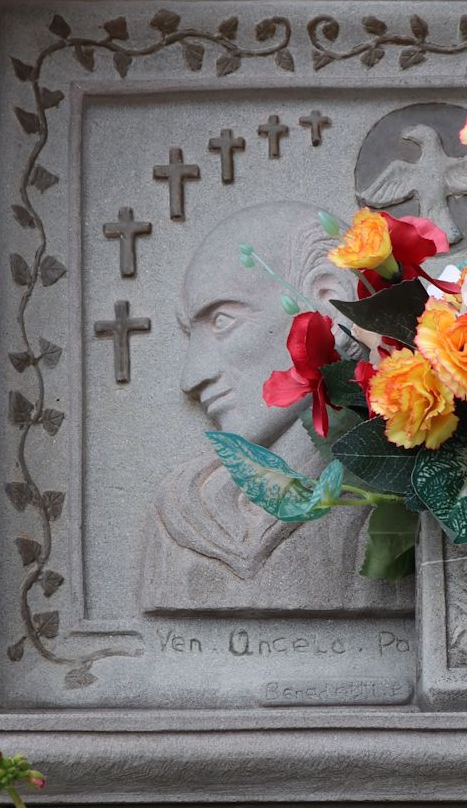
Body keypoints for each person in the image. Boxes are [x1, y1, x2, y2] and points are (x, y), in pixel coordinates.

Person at [141, 201, 413, 615]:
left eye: (221, 321)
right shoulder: (185, 511)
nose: (191, 378)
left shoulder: (407, 494)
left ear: (327, 302)